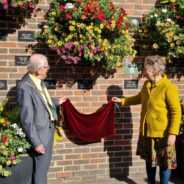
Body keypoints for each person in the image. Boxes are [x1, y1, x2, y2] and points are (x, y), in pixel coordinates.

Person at [112, 55, 181, 184]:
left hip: (163, 134)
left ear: (154, 70)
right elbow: (139, 98)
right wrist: (122, 101)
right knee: (150, 162)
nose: (143, 72)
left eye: (145, 68)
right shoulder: (146, 85)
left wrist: (173, 133)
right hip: (147, 132)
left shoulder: (168, 87)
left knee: (164, 164)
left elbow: (176, 112)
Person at [17, 54, 66, 184]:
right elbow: (27, 118)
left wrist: (56, 101)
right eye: (46, 67)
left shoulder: (38, 82)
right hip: (40, 136)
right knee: (40, 171)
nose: (48, 69)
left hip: (48, 131)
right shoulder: (25, 87)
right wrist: (36, 142)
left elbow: (42, 102)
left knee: (43, 170)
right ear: (39, 70)